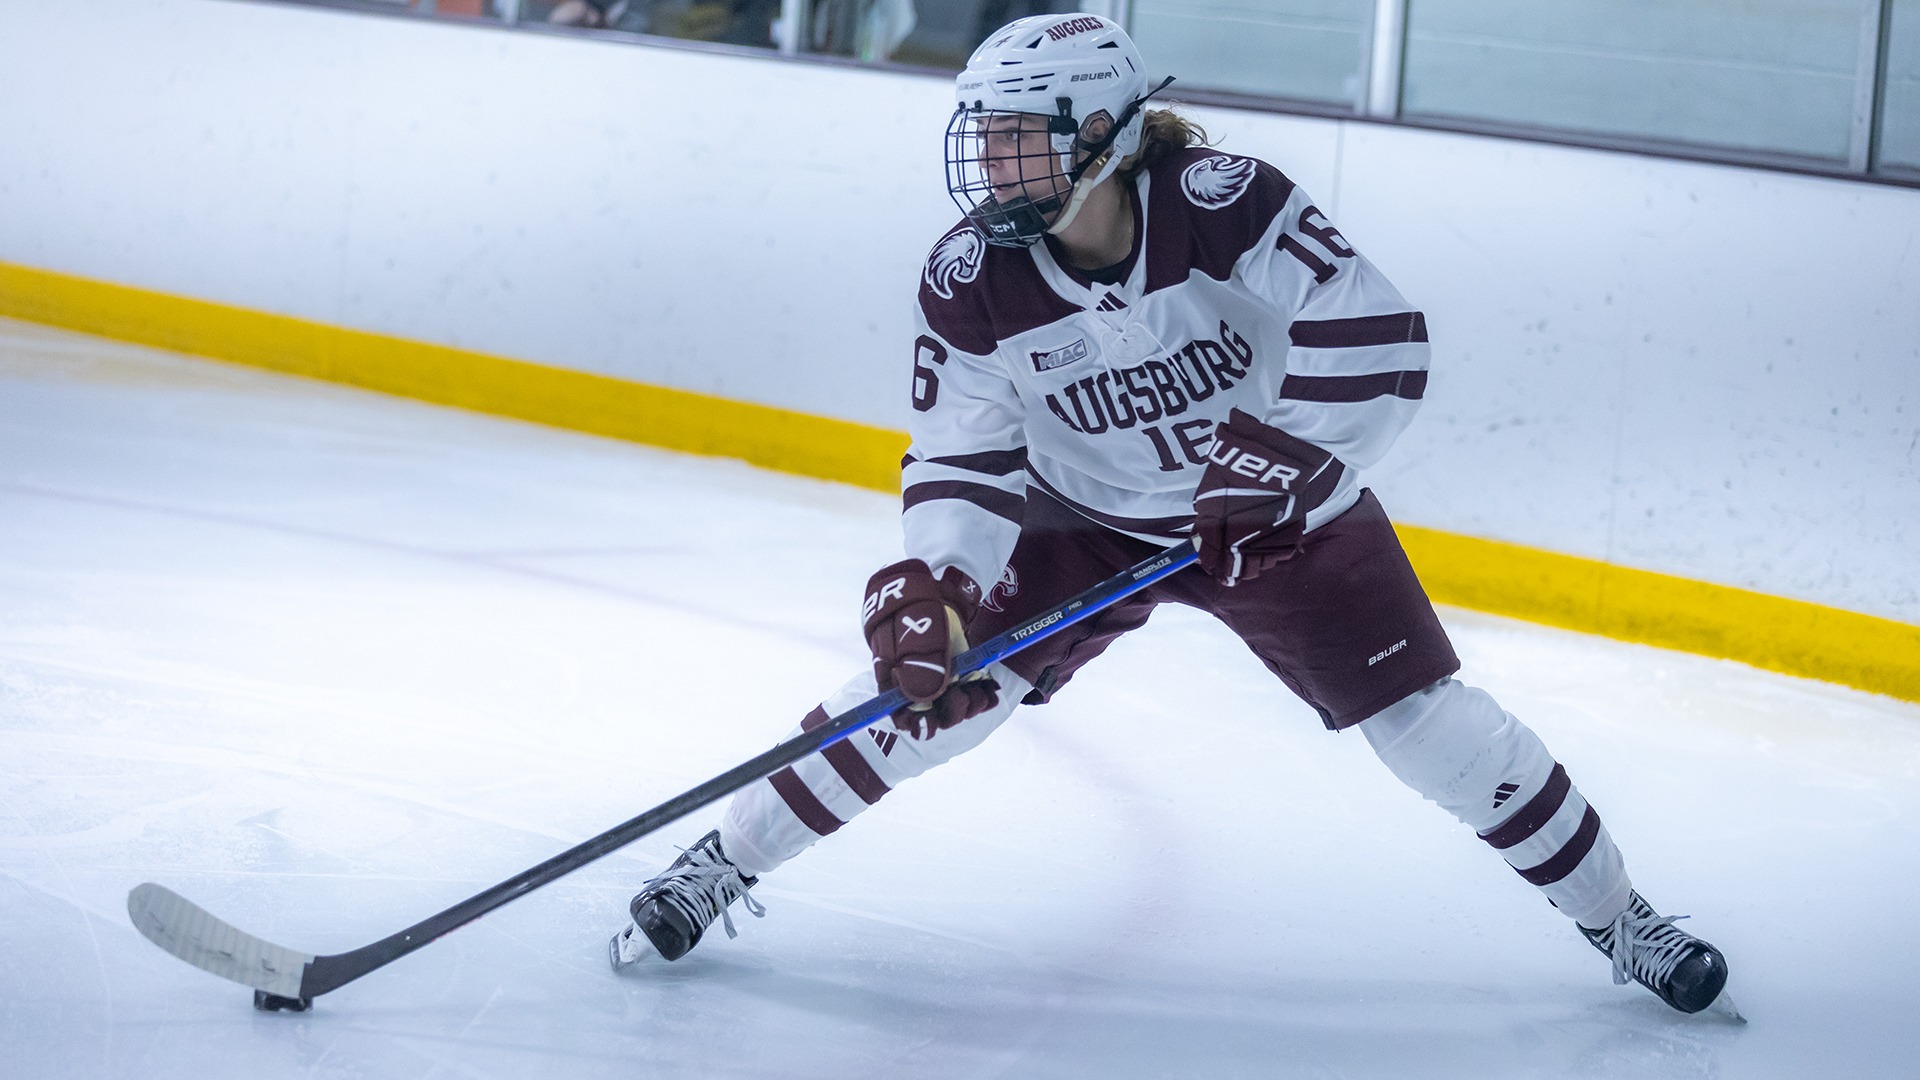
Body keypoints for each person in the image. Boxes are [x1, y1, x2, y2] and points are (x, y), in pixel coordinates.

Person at [612, 14, 1737, 1018]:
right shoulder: (970, 279)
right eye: (985, 134)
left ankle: (1623, 918)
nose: (991, 162)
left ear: (1102, 136)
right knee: (924, 703)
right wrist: (944, 583)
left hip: (1277, 511)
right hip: (1083, 516)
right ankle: (717, 866)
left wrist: (1283, 458)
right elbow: (964, 450)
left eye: (1019, 136)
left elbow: (1379, 330)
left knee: (1432, 732)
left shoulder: (1224, 202)